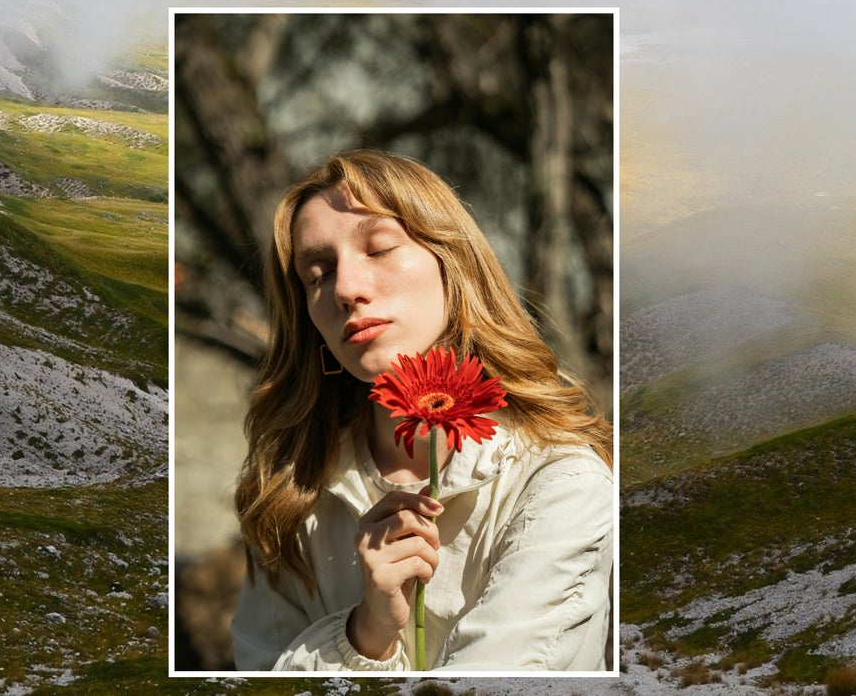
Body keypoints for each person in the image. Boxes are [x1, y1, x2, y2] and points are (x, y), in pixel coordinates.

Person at [231, 149, 613, 671]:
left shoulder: (561, 482)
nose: (344, 289)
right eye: (317, 274)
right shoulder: (286, 496)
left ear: (452, 265)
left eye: (380, 248)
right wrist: (364, 635)